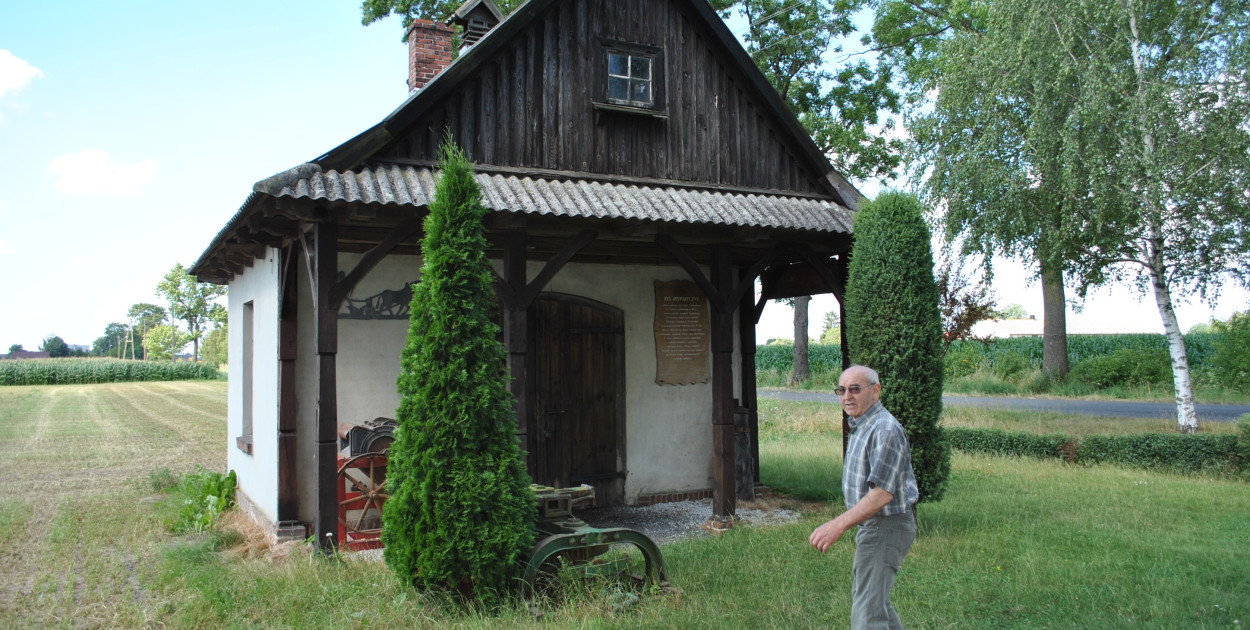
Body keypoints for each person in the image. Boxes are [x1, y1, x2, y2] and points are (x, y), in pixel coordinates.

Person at [809, 364, 919, 630]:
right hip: (875, 525)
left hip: (886, 525)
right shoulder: (863, 424)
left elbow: (882, 494)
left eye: (856, 389)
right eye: (842, 390)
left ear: (876, 391)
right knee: (873, 601)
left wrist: (836, 525)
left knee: (867, 615)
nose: (847, 396)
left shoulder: (884, 430)